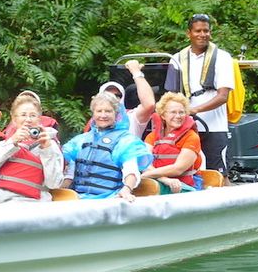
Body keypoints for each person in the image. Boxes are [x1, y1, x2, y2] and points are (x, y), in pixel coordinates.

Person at [164, 13, 235, 175]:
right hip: (185, 126)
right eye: (198, 31)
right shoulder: (176, 58)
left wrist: (195, 110)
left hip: (214, 127)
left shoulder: (222, 57)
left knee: (217, 174)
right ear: (189, 33)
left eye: (206, 31)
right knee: (185, 171)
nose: (203, 35)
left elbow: (223, 96)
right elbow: (171, 95)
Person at [62, 91, 152, 201]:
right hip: (78, 198)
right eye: (99, 111)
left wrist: (127, 189)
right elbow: (70, 174)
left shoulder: (125, 140)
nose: (103, 115)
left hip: (108, 198)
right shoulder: (80, 140)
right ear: (93, 114)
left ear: (116, 114)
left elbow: (131, 171)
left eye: (108, 111)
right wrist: (60, 189)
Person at [0, 92, 64, 203]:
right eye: (23, 115)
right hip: (1, 200)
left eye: (33, 115)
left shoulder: (50, 145)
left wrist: (47, 150)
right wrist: (12, 142)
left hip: (35, 204)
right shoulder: (4, 143)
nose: (28, 119)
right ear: (14, 119)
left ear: (39, 119)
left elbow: (54, 184)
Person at [140, 91, 203, 193]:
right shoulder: (152, 136)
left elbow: (178, 169)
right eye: (173, 112)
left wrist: (148, 175)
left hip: (187, 185)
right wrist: (164, 179)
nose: (178, 116)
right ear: (163, 116)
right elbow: (144, 163)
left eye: (181, 112)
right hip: (160, 181)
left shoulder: (192, 136)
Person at [96, 58, 156, 138]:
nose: (112, 99)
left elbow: (149, 104)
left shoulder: (131, 117)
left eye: (117, 95)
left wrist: (136, 72)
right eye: (108, 95)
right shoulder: (96, 119)